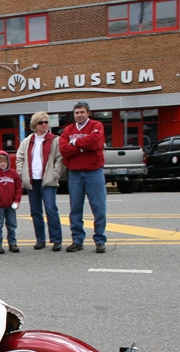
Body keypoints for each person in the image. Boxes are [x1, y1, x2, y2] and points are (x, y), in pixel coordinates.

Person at [59, 102, 107, 253]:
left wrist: (76, 144)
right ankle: (77, 240)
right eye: (76, 112)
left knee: (99, 208)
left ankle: (99, 240)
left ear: (88, 113)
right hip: (75, 174)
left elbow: (96, 142)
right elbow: (64, 149)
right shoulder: (68, 130)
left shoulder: (96, 125)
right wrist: (82, 148)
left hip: (94, 172)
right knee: (75, 209)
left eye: (82, 112)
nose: (79, 115)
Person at [16, 111, 64, 252]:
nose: (44, 125)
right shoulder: (27, 141)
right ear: (34, 125)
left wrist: (55, 173)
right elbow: (20, 158)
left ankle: (56, 240)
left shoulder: (55, 140)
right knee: (35, 212)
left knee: (51, 210)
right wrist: (22, 173)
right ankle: (40, 239)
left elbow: (60, 159)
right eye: (41, 122)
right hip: (32, 181)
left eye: (46, 122)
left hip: (47, 180)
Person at [0, 151, 22, 254]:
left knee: (12, 225)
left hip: (11, 205)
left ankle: (12, 243)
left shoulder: (13, 174)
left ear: (8, 162)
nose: (3, 163)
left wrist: (17, 201)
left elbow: (18, 189)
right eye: (0, 161)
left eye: (5, 161)